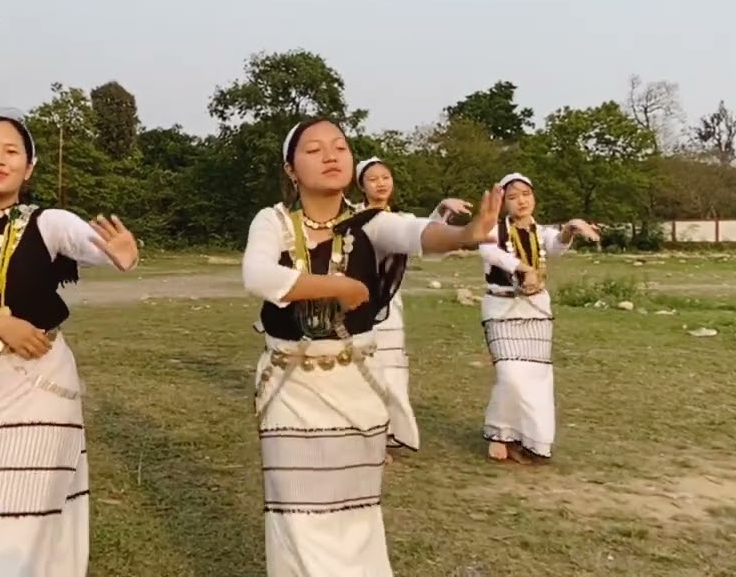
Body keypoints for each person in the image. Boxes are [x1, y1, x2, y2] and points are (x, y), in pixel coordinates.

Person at [244, 119, 502, 577]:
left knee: (354, 514)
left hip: (354, 387)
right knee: (297, 514)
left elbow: (417, 233)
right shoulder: (274, 221)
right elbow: (258, 276)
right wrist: (336, 285)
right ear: (291, 169)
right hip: (291, 386)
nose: (331, 155)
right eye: (314, 149)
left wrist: (463, 235)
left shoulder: (371, 223)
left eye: (340, 147)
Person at [0, 108, 139, 577]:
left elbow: (83, 239)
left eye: (12, 151)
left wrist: (112, 251)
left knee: (30, 518)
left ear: (29, 167)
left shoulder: (47, 220)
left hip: (41, 384)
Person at [354, 156, 471, 463]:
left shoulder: (399, 217)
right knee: (367, 375)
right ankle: (368, 437)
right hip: (361, 307)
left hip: (391, 308)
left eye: (385, 177)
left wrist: (442, 211)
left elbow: (416, 235)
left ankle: (388, 433)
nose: (381, 183)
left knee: (392, 375)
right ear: (361, 186)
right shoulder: (355, 218)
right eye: (373, 179)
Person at [477, 172, 599, 464]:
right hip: (502, 308)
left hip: (536, 309)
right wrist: (523, 267)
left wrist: (569, 229)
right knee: (510, 375)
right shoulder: (494, 229)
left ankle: (527, 438)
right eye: (513, 196)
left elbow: (555, 246)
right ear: (503, 202)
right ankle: (501, 432)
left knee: (536, 377)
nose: (521, 201)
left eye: (526, 195)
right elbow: (490, 252)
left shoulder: (539, 231)